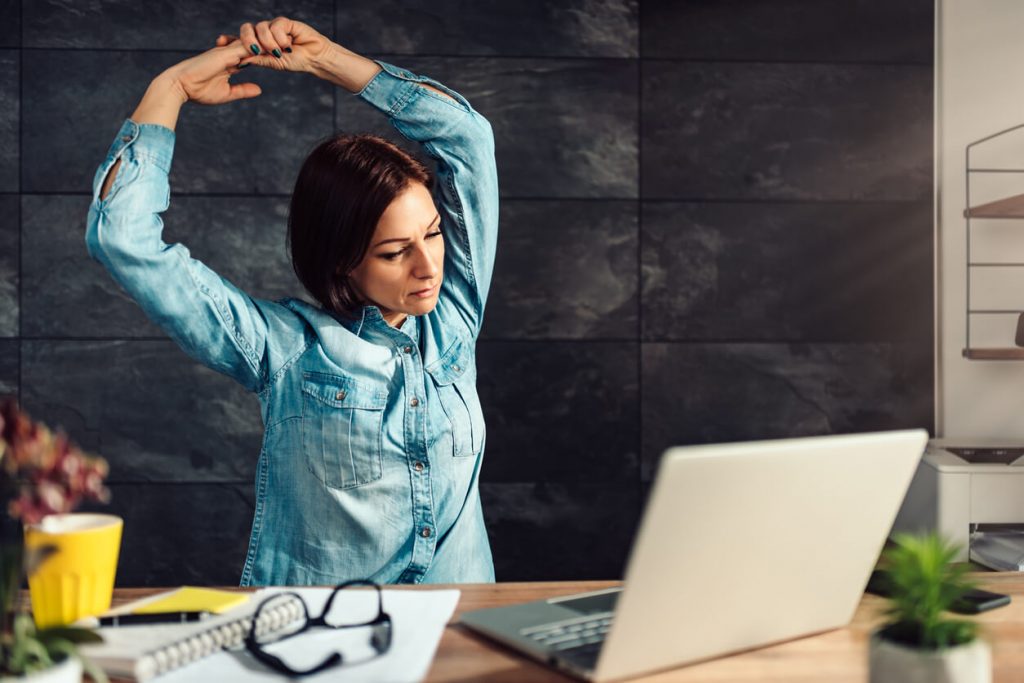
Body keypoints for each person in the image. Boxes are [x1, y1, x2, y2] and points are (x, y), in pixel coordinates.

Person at [85, 17, 498, 585]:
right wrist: (171, 89)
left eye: (432, 234)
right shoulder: (282, 347)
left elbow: (467, 136)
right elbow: (122, 236)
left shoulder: (455, 316)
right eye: (394, 252)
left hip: (463, 629)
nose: (429, 266)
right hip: (326, 647)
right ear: (340, 259)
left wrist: (325, 58)